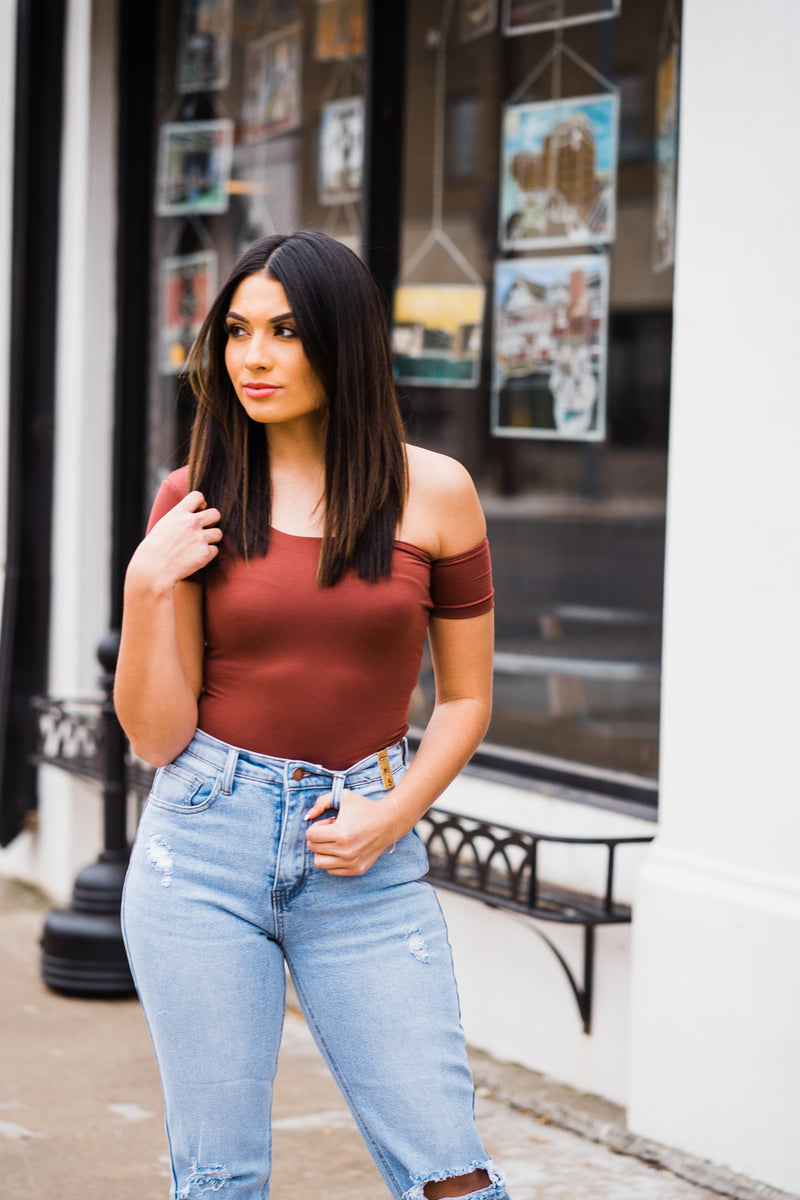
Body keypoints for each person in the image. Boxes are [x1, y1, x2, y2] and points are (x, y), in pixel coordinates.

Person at [116, 230, 508, 1200]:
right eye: (238, 331)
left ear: (343, 339)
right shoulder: (196, 495)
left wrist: (393, 813)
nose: (253, 357)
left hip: (366, 856)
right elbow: (155, 738)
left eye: (285, 332)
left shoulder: (436, 495)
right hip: (202, 845)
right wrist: (143, 591)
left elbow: (465, 699)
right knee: (219, 1178)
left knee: (448, 1175)